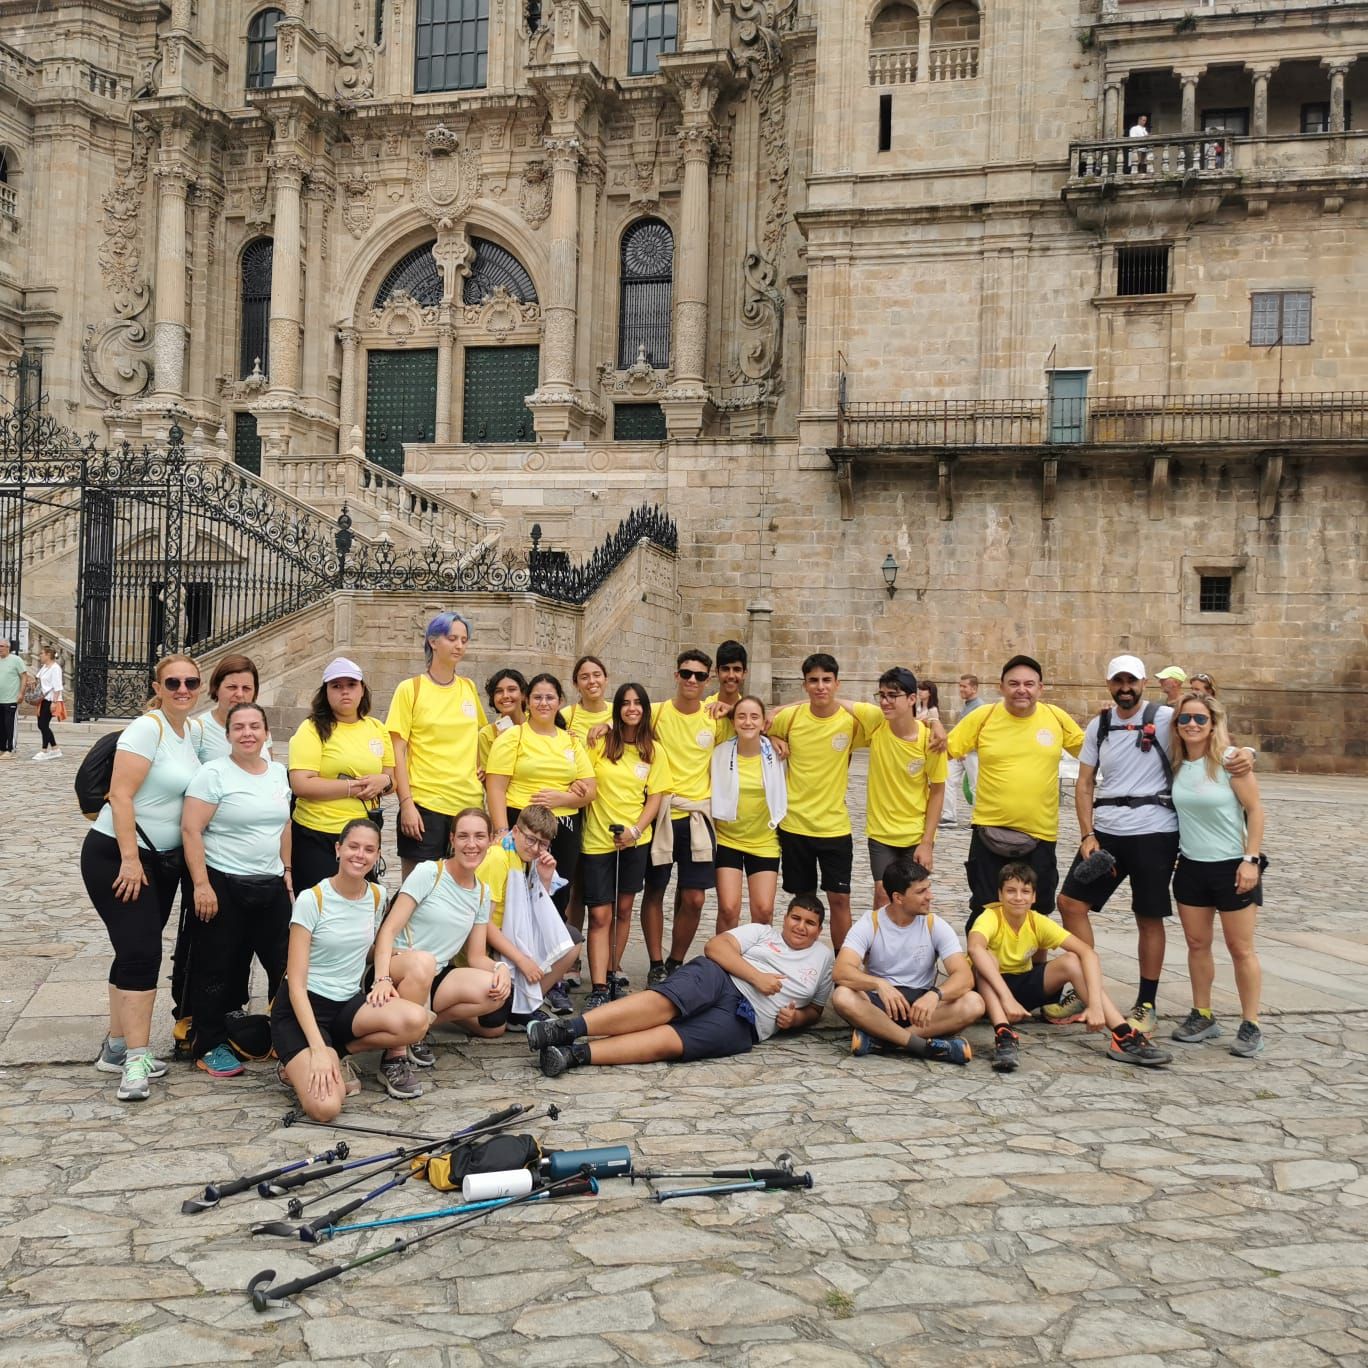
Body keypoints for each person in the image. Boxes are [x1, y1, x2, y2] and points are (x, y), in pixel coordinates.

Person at [1057, 656, 1254, 1034]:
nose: (1125, 686)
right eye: (1119, 680)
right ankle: (1085, 984)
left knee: (1148, 916)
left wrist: (1246, 753)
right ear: (1109, 684)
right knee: (1070, 902)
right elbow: (1084, 783)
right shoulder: (1099, 725)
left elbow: (1207, 726)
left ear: (1144, 681)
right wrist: (1087, 833)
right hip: (1108, 832)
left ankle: (1146, 1002)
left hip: (1154, 833)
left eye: (1132, 679)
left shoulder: (1166, 718)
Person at [529, 895, 835, 1076]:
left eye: (810, 923)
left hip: (748, 1022)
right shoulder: (762, 933)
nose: (800, 927)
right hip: (721, 978)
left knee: (671, 1041)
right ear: (785, 918)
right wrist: (757, 977)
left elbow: (817, 1010)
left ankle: (574, 1056)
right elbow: (716, 947)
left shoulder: (822, 959)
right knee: (663, 1003)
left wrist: (796, 1020)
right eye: (796, 918)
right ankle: (566, 1029)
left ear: (820, 930)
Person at [82, 655, 203, 1101]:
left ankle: (115, 1046)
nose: (182, 688)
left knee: (132, 948)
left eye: (191, 681)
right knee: (143, 951)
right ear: (158, 685)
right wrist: (130, 859)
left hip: (161, 860)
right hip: (119, 854)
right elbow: (120, 794)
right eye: (173, 682)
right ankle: (136, 1058)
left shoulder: (190, 731)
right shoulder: (147, 728)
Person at [271, 819, 427, 1118]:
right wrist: (317, 1049)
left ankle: (340, 1054)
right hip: (303, 1008)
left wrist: (383, 975)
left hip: (347, 1005)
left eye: (369, 849)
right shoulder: (312, 899)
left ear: (378, 854)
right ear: (338, 849)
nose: (360, 855)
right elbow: (295, 984)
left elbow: (370, 945)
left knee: (417, 1021)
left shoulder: (377, 896)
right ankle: (307, 1060)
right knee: (326, 1107)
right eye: (353, 846)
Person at [968, 862, 1172, 1073]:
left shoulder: (1036, 921)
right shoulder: (990, 917)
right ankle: (1004, 1035)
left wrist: (1094, 1004)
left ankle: (1123, 1034)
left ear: (1034, 897)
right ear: (1000, 895)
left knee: (1072, 960)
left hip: (1022, 988)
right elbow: (974, 948)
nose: (1018, 897)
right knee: (985, 959)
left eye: (1025, 891)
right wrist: (1007, 999)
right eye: (1011, 891)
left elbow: (1088, 953)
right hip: (990, 993)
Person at [180, 701, 292, 1077]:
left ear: (265, 732)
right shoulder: (214, 774)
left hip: (270, 884)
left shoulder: (278, 772)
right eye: (239, 727)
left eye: (255, 726)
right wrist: (201, 885)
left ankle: (287, 1035)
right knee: (217, 968)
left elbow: (284, 825)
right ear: (228, 735)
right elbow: (191, 829)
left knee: (286, 964)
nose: (248, 733)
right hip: (224, 883)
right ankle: (208, 1044)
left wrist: (287, 870)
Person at [369, 807, 510, 1093]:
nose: (472, 844)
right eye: (464, 836)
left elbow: (475, 957)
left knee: (493, 991)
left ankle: (416, 1032)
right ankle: (393, 1057)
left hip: (435, 974)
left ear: (490, 840)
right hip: (400, 966)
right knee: (423, 961)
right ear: (452, 840)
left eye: (480, 836)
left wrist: (501, 968)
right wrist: (381, 978)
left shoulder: (482, 892)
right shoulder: (429, 873)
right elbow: (388, 931)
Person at [946, 654, 1085, 930]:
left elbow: (1092, 754)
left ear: (1040, 688)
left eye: (1029, 684)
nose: (1022, 689)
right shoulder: (983, 717)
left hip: (1040, 835)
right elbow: (946, 751)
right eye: (1014, 683)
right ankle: (984, 970)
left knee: (1038, 912)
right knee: (985, 908)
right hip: (989, 834)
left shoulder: (1056, 718)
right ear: (1001, 687)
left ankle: (1035, 972)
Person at [1168, 693, 1268, 1058]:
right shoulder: (1177, 763)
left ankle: (1251, 1021)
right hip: (1192, 866)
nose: (1191, 725)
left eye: (1199, 719)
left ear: (1213, 723)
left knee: (1240, 948)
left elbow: (1256, 811)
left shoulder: (1229, 762)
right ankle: (1203, 1013)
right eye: (1184, 719)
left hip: (1232, 866)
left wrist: (1251, 860)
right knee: (1197, 945)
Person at [767, 653, 883, 950]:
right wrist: (774, 739)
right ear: (804, 684)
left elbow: (881, 716)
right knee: (803, 902)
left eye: (827, 681)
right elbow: (760, 726)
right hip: (795, 824)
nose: (820, 687)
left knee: (840, 899)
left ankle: (843, 961)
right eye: (814, 681)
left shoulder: (851, 721)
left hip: (834, 827)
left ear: (837, 683)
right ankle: (804, 960)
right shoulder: (789, 719)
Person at [830, 858, 979, 1065]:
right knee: (842, 996)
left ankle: (884, 1041)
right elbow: (840, 971)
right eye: (921, 892)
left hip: (921, 1007)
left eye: (928, 888)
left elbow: (964, 976)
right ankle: (922, 1046)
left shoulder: (934, 924)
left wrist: (935, 995)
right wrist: (879, 984)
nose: (930, 896)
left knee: (974, 1002)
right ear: (898, 898)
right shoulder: (870, 923)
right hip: (879, 1006)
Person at [582, 683, 671, 1008]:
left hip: (635, 841)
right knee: (600, 914)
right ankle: (599, 985)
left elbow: (656, 795)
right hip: (597, 840)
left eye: (638, 703)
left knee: (622, 909)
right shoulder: (600, 742)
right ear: (617, 709)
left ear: (646, 709)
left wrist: (635, 830)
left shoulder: (654, 750)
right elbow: (583, 778)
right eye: (626, 703)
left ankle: (612, 971)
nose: (632, 708)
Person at [485, 672, 596, 931]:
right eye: (537, 697)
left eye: (550, 697)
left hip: (564, 826)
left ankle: (549, 953)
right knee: (517, 890)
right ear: (527, 700)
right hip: (521, 823)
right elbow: (496, 787)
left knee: (558, 892)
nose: (543, 703)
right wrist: (502, 831)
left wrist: (563, 797)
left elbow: (590, 790)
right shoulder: (513, 737)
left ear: (559, 702)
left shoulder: (569, 741)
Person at [640, 649, 721, 985]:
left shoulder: (715, 717)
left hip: (697, 816)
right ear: (676, 675)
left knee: (694, 896)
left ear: (707, 680)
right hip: (662, 813)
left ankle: (676, 960)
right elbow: (622, 719)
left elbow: (755, 723)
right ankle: (656, 961)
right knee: (655, 890)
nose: (691, 680)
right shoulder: (656, 714)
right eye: (686, 673)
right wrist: (599, 728)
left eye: (699, 675)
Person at [387, 612, 488, 881]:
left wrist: (484, 766)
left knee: (461, 889)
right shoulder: (411, 689)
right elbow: (397, 750)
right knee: (417, 891)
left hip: (467, 806)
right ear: (433, 641)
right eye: (452, 638)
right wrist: (406, 803)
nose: (459, 646)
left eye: (464, 640)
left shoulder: (468, 688)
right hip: (425, 805)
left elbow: (483, 736)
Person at [470, 805, 583, 1034]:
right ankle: (514, 1005)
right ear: (515, 831)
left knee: (572, 941)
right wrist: (522, 960)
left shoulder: (527, 858)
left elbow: (537, 911)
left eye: (543, 844)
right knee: (494, 1023)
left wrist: (544, 878)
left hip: (513, 935)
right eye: (530, 840)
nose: (535, 848)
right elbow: (482, 923)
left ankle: (522, 1007)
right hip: (487, 945)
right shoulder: (498, 858)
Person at [287, 658, 394, 894]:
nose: (344, 691)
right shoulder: (312, 728)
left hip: (361, 835)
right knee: (319, 905)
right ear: (325, 692)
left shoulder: (377, 728)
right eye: (336, 686)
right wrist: (351, 788)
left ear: (362, 689)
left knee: (358, 904)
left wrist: (384, 782)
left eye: (351, 685)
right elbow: (301, 783)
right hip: (318, 833)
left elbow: (390, 778)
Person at [863, 668, 946, 909]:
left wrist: (927, 842)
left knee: (914, 897)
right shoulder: (876, 722)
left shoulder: (930, 740)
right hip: (881, 832)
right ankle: (880, 946)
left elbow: (938, 791)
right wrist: (777, 711)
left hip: (914, 833)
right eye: (881, 695)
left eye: (892, 695)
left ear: (911, 699)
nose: (885, 701)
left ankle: (914, 946)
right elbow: (826, 700)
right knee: (882, 895)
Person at [711, 695, 786, 933]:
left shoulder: (777, 753)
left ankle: (757, 960)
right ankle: (721, 962)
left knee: (763, 909)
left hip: (763, 840)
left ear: (764, 722)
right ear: (733, 722)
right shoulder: (719, 753)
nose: (748, 722)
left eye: (755, 717)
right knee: (728, 908)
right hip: (728, 839)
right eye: (741, 716)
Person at [559, 655, 612, 989]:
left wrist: (613, 726)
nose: (591, 681)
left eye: (597, 674)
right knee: (570, 888)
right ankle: (570, 956)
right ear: (576, 683)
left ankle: (607, 962)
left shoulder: (619, 712)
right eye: (584, 676)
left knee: (602, 896)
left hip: (608, 807)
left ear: (606, 678)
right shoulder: (567, 716)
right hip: (574, 808)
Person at [195, 655, 266, 762]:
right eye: (232, 687)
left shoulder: (260, 727)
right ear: (216, 688)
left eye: (246, 688)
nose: (239, 694)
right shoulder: (199, 729)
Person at [916, 680, 956, 825]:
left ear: (930, 692)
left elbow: (934, 726)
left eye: (923, 690)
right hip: (918, 744)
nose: (920, 692)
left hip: (929, 744)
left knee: (936, 782)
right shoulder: (918, 707)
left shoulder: (933, 710)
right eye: (919, 689)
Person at [946, 672, 983, 819]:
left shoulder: (980, 707)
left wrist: (965, 750)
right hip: (960, 752)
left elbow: (979, 733)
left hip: (972, 753)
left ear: (974, 688)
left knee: (975, 786)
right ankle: (949, 816)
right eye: (960, 686)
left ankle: (978, 818)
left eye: (964, 686)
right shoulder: (967, 705)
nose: (961, 689)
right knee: (947, 779)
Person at [478, 667, 528, 773]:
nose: (505, 696)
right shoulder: (487, 735)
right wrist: (501, 744)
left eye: (512, 690)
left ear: (523, 694)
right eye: (499, 691)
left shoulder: (538, 724)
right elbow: (489, 778)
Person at [704, 638, 749, 740]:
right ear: (716, 672)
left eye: (737, 669)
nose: (731, 675)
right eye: (725, 669)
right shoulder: (706, 708)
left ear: (744, 673)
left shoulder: (750, 712)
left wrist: (774, 738)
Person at [32, 644, 64, 760]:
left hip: (50, 699)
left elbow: (58, 687)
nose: (40, 655)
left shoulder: (55, 668)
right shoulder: (45, 667)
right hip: (43, 699)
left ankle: (44, 750)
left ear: (48, 655)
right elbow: (39, 679)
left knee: (43, 724)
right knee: (41, 724)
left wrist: (54, 702)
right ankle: (55, 748)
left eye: (42, 653)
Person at [0, 638, 27, 758]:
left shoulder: (16, 660)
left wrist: (21, 693)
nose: (0, 649)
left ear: (8, 647)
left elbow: (24, 677)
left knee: (9, 724)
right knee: (1, 725)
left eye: (1, 646)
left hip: (11, 698)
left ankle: (10, 749)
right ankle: (2, 748)